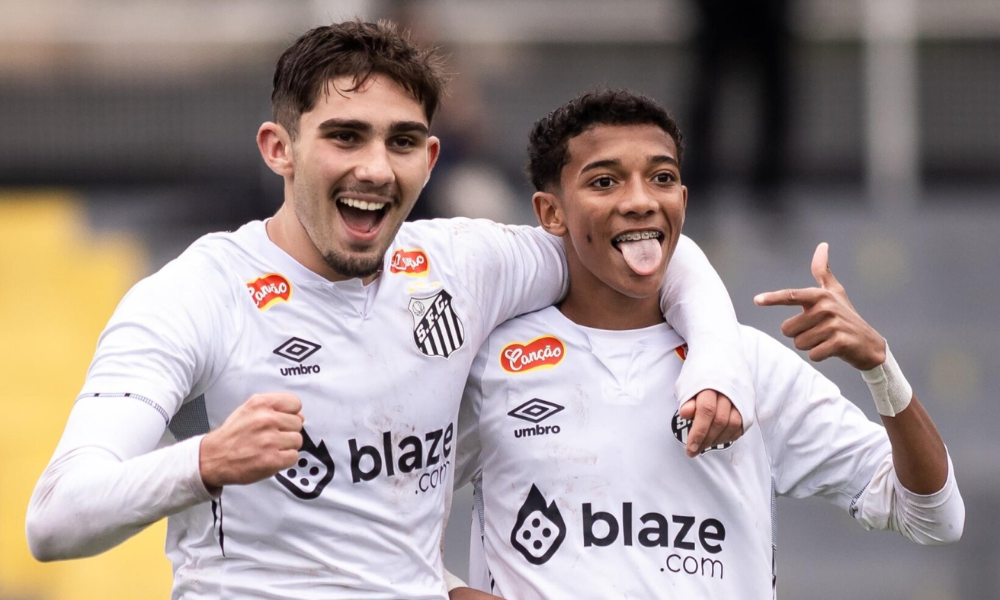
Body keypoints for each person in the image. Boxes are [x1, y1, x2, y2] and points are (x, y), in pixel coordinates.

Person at [25, 22, 754, 600]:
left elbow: (634, 236)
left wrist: (716, 366)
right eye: (346, 136)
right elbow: (55, 519)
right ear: (279, 148)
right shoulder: (195, 294)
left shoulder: (463, 265)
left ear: (430, 159)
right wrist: (206, 461)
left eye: (401, 141)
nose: (376, 167)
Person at [448, 89, 964, 599]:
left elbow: (934, 516)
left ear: (684, 201)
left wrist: (879, 367)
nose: (641, 201)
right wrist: (454, 592)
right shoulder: (491, 363)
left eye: (662, 178)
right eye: (604, 181)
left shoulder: (749, 364)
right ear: (550, 213)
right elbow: (378, 513)